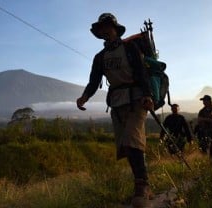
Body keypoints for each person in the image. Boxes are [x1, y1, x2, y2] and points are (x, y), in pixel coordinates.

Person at [76, 13, 154, 207]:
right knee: (126, 146)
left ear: (114, 28)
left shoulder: (130, 48)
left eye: (107, 26)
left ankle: (142, 186)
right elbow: (94, 81)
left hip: (136, 98)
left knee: (132, 139)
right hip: (117, 103)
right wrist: (84, 97)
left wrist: (147, 94)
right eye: (101, 28)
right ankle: (141, 183)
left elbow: (141, 72)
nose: (105, 30)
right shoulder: (100, 57)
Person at [197, 95, 212, 165]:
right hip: (205, 133)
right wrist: (207, 119)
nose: (204, 102)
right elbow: (199, 119)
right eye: (203, 101)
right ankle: (207, 164)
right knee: (204, 149)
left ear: (209, 101)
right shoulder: (202, 111)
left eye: (205, 101)